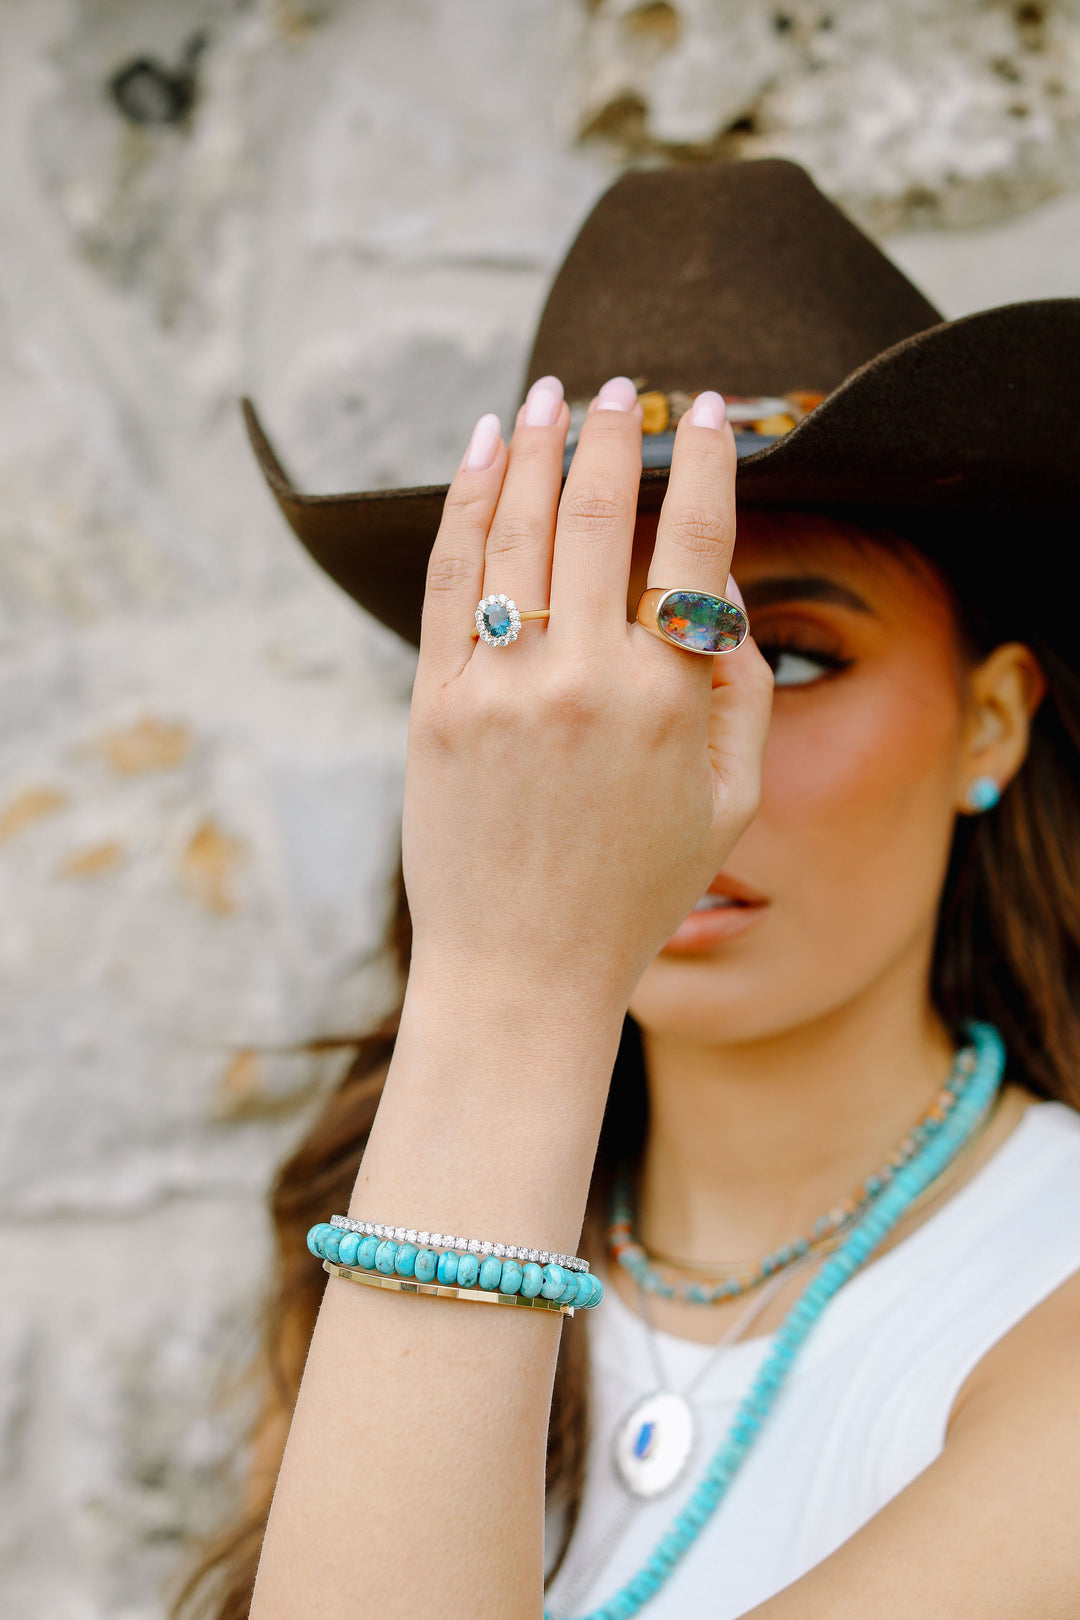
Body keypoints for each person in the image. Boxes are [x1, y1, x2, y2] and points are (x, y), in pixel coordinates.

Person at [177, 160, 1080, 1619]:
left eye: (785, 657)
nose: (669, 766)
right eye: (583, 666)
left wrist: (519, 977)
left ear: (992, 720)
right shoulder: (387, 1228)